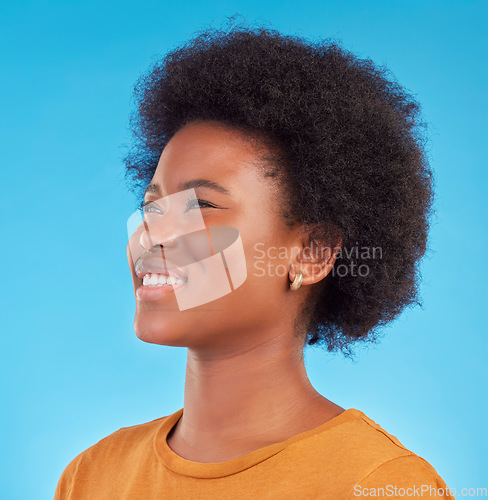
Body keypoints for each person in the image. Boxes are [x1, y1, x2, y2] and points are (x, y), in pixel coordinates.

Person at [54, 20, 455, 499]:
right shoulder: (92, 476)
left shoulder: (379, 484)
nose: (151, 233)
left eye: (201, 205)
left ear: (312, 254)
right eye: (151, 205)